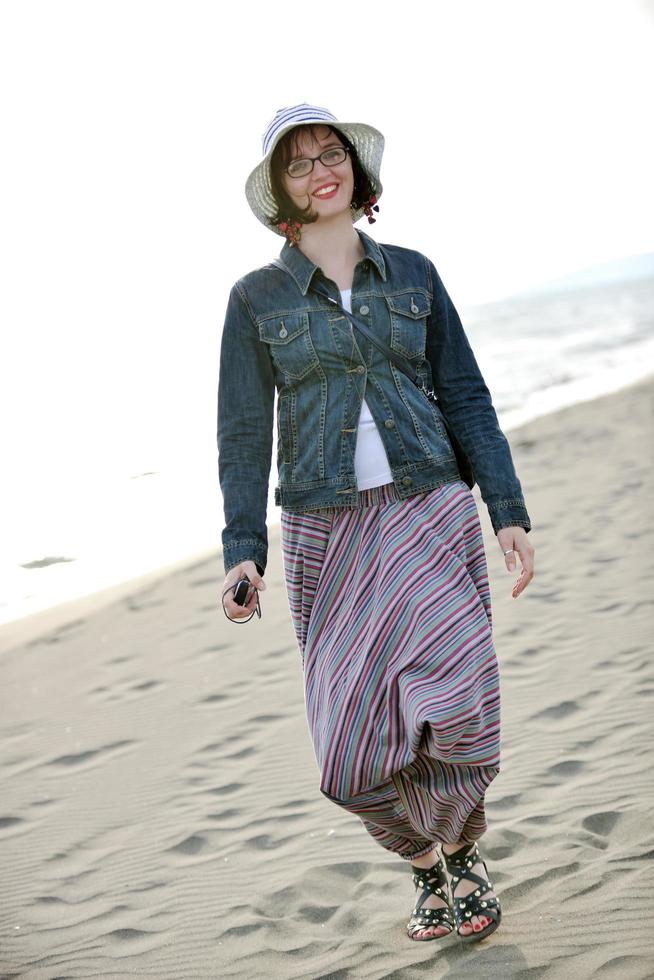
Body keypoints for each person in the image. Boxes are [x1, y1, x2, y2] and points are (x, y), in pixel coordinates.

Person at [217, 103, 535, 943]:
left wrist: (506, 511)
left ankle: (463, 848)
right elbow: (245, 431)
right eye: (300, 163)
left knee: (462, 710)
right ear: (281, 193)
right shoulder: (256, 299)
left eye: (333, 153)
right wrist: (241, 551)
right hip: (328, 531)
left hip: (431, 509)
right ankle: (424, 865)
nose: (323, 168)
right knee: (353, 753)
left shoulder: (415, 274)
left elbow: (465, 394)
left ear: (356, 170)